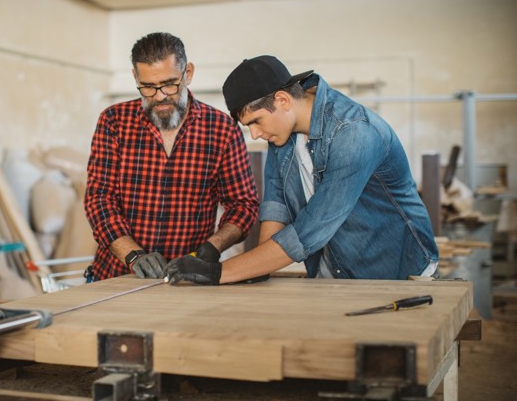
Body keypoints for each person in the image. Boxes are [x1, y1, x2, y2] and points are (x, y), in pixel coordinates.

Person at [165, 55, 439, 285]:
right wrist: (256, 266)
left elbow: (311, 230)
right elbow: (276, 204)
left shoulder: (354, 133)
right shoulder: (283, 131)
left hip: (396, 275)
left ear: (283, 100)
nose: (256, 134)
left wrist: (219, 273)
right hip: (334, 273)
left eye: (256, 121)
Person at [84, 33, 259, 281]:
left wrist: (211, 248)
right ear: (135, 77)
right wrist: (132, 255)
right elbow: (99, 199)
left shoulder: (222, 130)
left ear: (188, 73)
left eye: (169, 84)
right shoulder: (114, 122)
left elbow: (243, 205)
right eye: (147, 86)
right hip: (117, 277)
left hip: (187, 280)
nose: (159, 96)